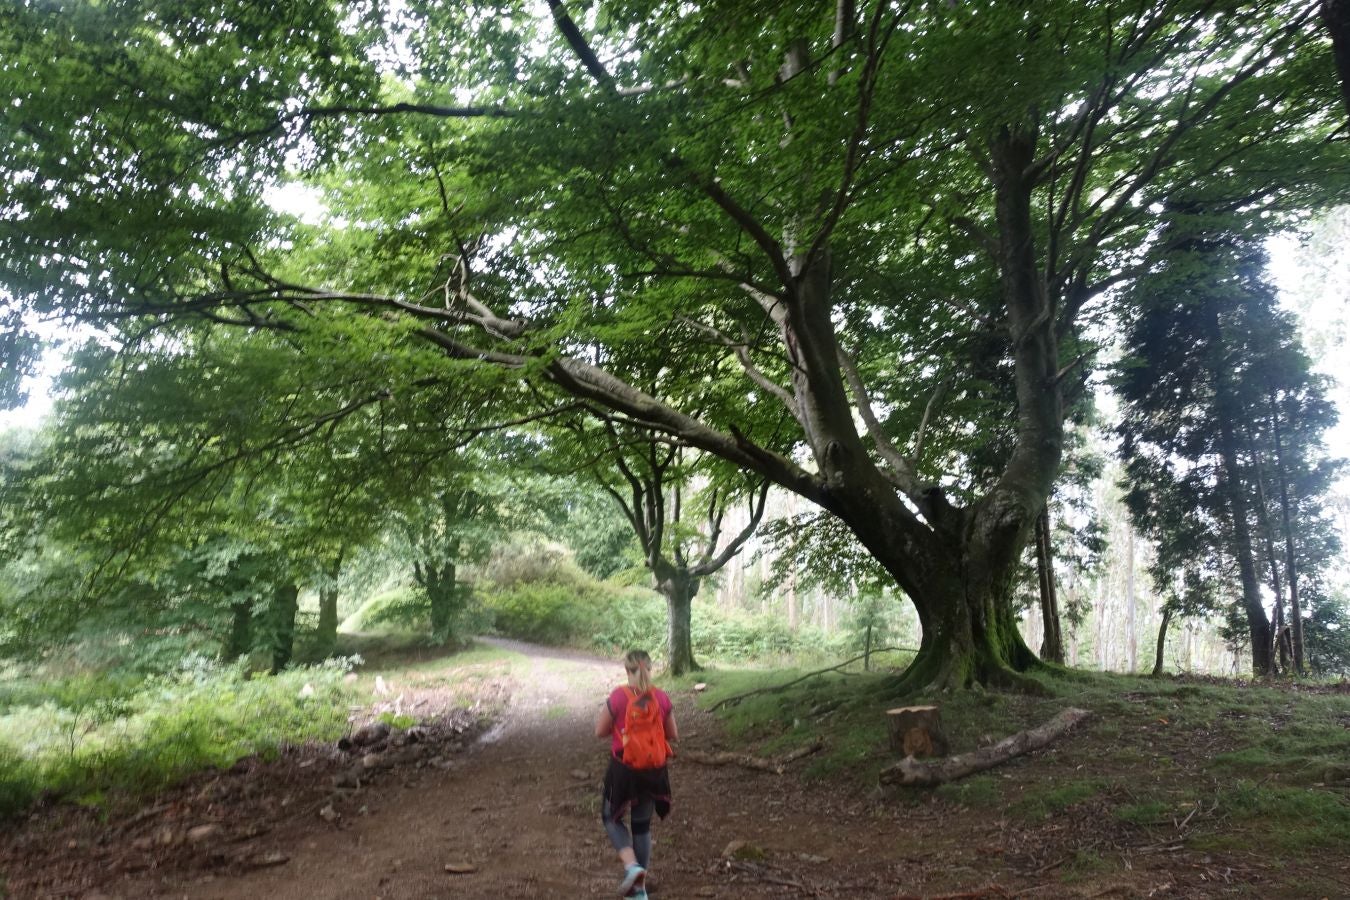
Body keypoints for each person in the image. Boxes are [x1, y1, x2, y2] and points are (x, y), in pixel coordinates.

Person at [595, 649, 679, 899]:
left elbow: (599, 731)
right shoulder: (661, 697)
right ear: (650, 669)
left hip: (624, 769)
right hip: (654, 771)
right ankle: (639, 890)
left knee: (611, 817)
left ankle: (632, 869)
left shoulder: (619, 697)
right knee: (641, 826)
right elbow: (673, 734)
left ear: (627, 670)